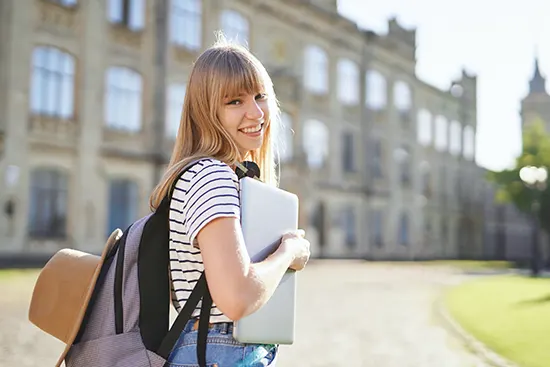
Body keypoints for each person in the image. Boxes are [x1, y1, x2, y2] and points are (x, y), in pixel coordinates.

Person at [148, 37, 311, 367]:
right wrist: (289, 252)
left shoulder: (216, 176)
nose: (255, 112)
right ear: (206, 112)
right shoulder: (211, 176)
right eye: (234, 101)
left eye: (260, 96)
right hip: (218, 349)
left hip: (215, 348)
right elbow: (237, 298)